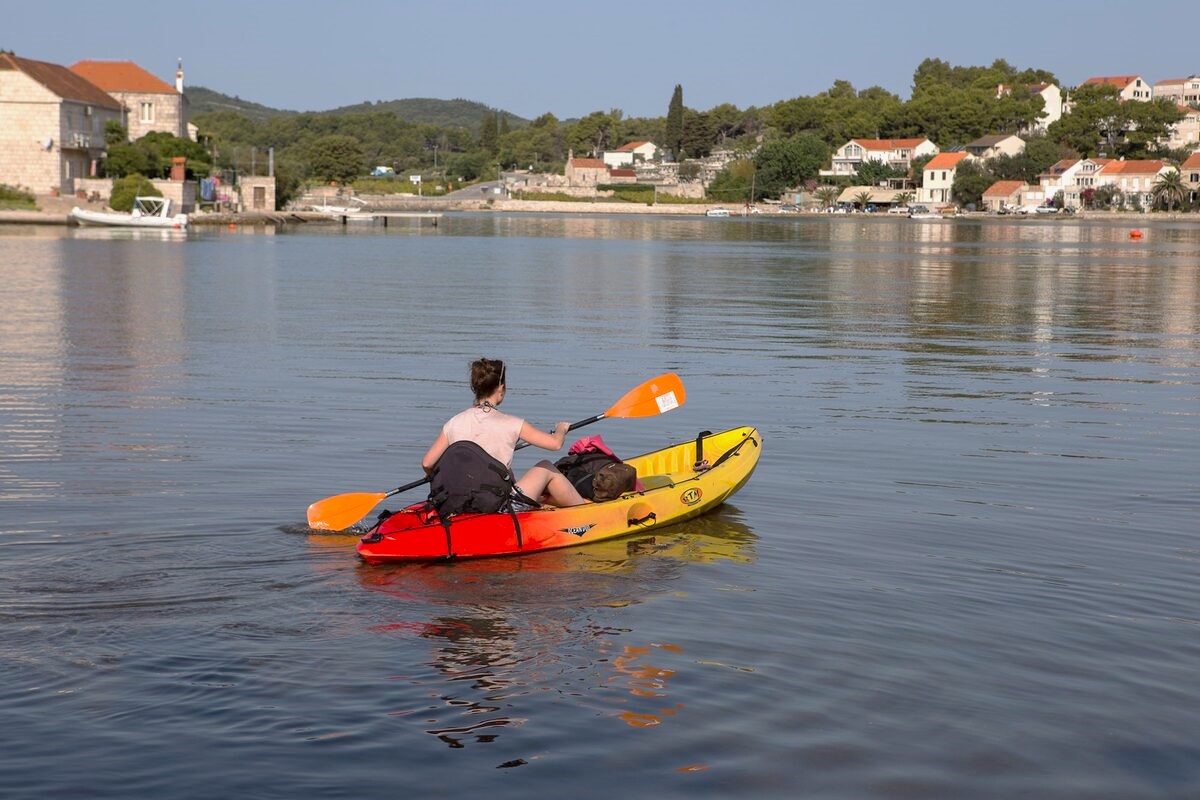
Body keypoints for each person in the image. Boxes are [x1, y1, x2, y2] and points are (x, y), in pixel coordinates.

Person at [421, 358, 586, 508]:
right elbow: (555, 444)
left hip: (459, 501)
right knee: (546, 467)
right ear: (501, 388)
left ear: (476, 388)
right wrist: (561, 429)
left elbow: (427, 464)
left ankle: (548, 504)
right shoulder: (513, 423)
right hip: (498, 506)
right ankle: (586, 513)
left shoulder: (453, 423)